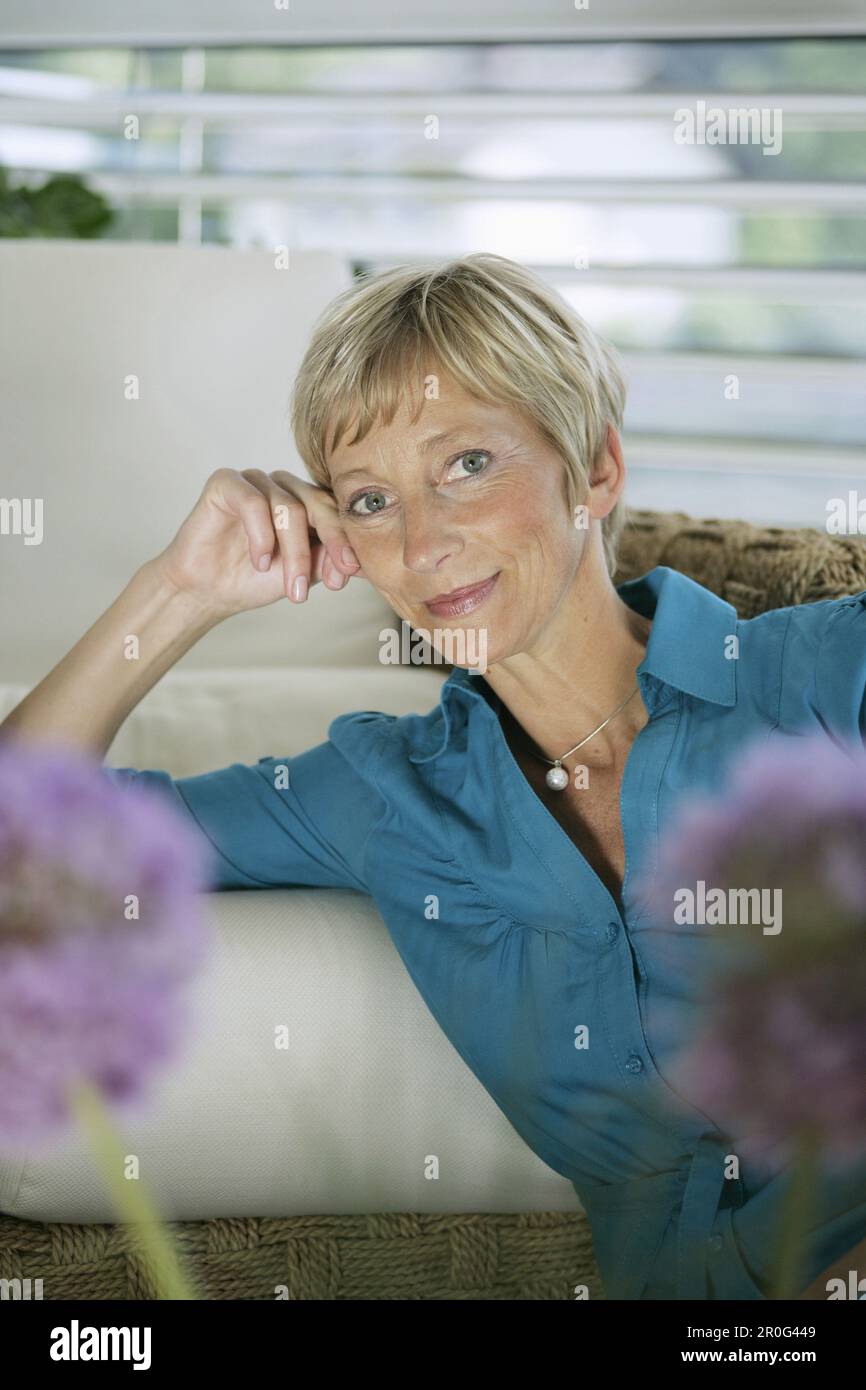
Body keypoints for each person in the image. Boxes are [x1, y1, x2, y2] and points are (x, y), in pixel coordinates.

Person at [3, 252, 866, 1300]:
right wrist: (175, 590)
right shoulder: (379, 792)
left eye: (465, 465)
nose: (422, 541)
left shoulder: (827, 675)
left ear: (592, 470)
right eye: (369, 500)